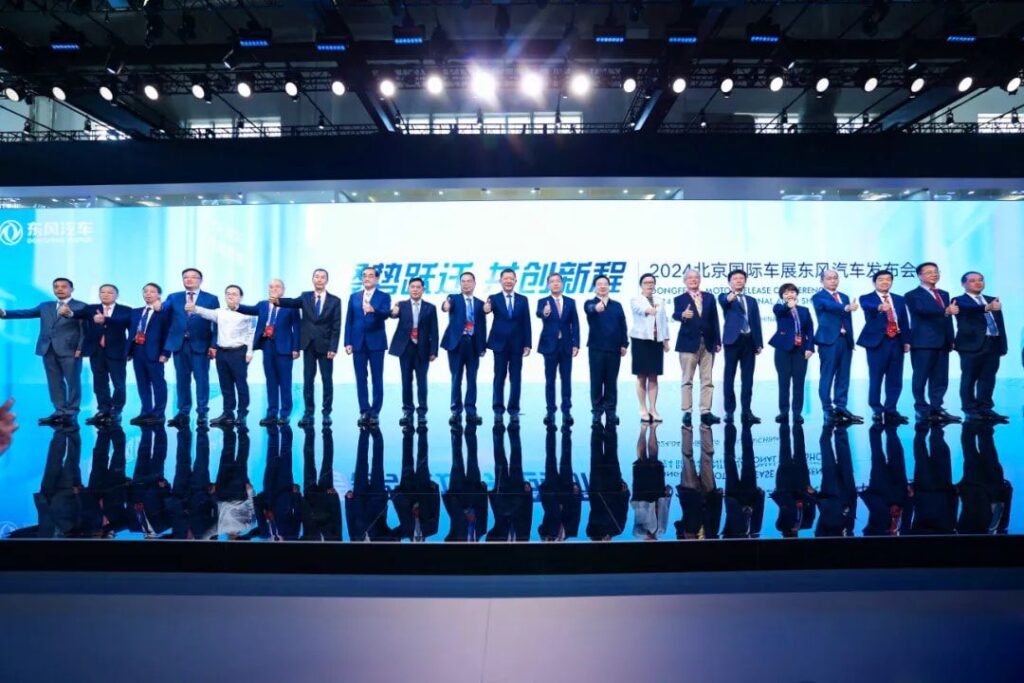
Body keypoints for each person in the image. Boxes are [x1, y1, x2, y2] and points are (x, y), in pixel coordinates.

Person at [0, 276, 85, 424]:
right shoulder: (45, 306)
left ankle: (71, 412)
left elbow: (85, 330)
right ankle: (59, 411)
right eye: (56, 286)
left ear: (72, 289)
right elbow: (26, 313)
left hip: (70, 351)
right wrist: (4, 313)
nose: (59, 289)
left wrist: (80, 349)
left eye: (63, 286)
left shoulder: (81, 307)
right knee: (54, 382)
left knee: (73, 382)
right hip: (48, 349)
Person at [273, 268, 342, 427]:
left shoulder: (335, 300)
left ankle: (326, 413)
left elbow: (336, 326)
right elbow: (291, 302)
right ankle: (308, 413)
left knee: (327, 380)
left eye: (322, 277)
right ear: (313, 279)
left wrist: (333, 347)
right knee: (308, 380)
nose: (319, 279)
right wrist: (275, 300)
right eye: (316, 277)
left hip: (326, 347)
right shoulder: (305, 296)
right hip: (308, 345)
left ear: (327, 280)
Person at [237, 279, 301, 427]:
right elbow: (249, 310)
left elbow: (297, 328)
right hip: (267, 346)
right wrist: (236, 306)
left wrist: (296, 348)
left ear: (283, 290)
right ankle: (271, 413)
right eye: (271, 287)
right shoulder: (262, 305)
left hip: (285, 348)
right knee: (270, 381)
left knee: (285, 382)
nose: (274, 289)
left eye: (277, 286)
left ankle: (285, 413)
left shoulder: (290, 305)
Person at [190, 285, 256, 427]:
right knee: (225, 385)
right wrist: (194, 308)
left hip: (239, 352)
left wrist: (250, 352)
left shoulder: (248, 313)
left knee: (241, 384)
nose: (230, 296)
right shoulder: (220, 312)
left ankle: (242, 413)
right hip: (222, 352)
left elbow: (252, 334)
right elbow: (206, 312)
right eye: (228, 293)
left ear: (241, 297)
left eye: (234, 294)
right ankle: (228, 413)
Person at [162, 268, 219, 427]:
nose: (189, 279)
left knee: (202, 379)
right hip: (179, 345)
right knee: (182, 380)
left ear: (201, 280)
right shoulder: (173, 297)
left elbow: (216, 323)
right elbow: (166, 317)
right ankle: (183, 412)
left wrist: (214, 345)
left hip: (201, 345)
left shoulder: (211, 298)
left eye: (193, 277)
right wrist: (158, 306)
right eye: (185, 277)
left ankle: (202, 412)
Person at [904, 262, 960, 424]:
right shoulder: (912, 295)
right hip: (922, 342)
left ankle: (937, 407)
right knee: (920, 377)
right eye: (929, 272)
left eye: (936, 271)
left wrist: (951, 338)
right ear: (919, 275)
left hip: (942, 342)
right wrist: (945, 310)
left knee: (940, 378)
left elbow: (947, 319)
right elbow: (921, 311)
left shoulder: (944, 293)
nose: (934, 274)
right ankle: (921, 408)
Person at [857, 270, 911, 425]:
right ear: (874, 282)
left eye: (888, 279)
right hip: (877, 343)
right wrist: (880, 307)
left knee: (895, 378)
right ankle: (876, 409)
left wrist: (906, 341)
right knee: (876, 377)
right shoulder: (866, 298)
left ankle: (891, 410)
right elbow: (868, 306)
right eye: (881, 279)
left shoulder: (899, 299)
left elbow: (904, 321)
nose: (885, 282)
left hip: (897, 341)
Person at [954, 271, 1008, 423]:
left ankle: (985, 408)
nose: (978, 283)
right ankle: (969, 409)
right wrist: (987, 307)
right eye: (972, 281)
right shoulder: (959, 300)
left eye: (980, 280)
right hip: (971, 346)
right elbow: (970, 309)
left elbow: (1000, 324)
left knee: (988, 378)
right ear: (963, 284)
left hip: (993, 343)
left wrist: (1003, 344)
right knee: (969, 379)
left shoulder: (991, 299)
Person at [74, 284, 132, 426]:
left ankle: (116, 410)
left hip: (117, 352)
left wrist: (130, 351)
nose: (105, 294)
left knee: (119, 383)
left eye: (110, 292)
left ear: (117, 295)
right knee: (100, 383)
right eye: (102, 292)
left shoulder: (126, 310)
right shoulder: (91, 309)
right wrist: (68, 312)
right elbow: (75, 314)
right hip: (96, 351)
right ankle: (103, 409)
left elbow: (130, 331)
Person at [813, 269, 863, 424]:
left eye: (835, 278)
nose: (833, 281)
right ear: (822, 281)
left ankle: (841, 407)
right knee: (827, 375)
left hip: (845, 340)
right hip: (829, 341)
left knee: (843, 376)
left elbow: (848, 320)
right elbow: (829, 306)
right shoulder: (818, 297)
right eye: (829, 278)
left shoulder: (844, 296)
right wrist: (846, 307)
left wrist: (851, 339)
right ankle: (827, 409)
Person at [672, 269, 721, 426]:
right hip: (688, 343)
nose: (693, 280)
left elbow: (715, 320)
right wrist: (682, 315)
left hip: (708, 343)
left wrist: (718, 341)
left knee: (707, 379)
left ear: (699, 280)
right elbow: (675, 314)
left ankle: (705, 411)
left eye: (696, 277)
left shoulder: (709, 297)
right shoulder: (680, 298)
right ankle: (687, 411)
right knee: (687, 379)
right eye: (690, 278)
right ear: (685, 281)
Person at [344, 266, 392, 428]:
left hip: (376, 342)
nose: (367, 278)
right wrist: (348, 342)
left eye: (371, 276)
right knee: (360, 378)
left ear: (377, 279)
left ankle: (375, 411)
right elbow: (349, 320)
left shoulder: (384, 296)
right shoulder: (354, 297)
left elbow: (386, 314)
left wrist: (373, 310)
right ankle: (364, 410)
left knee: (377, 378)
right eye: (364, 275)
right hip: (358, 342)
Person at [484, 268, 532, 425]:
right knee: (499, 377)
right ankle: (498, 410)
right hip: (499, 343)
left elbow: (526, 322)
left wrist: (528, 344)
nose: (508, 281)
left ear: (515, 281)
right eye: (505, 278)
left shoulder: (523, 299)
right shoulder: (493, 298)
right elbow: (486, 310)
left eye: (511, 278)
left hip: (517, 344)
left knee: (516, 378)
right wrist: (486, 309)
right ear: (500, 281)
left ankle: (514, 410)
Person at [389, 277, 439, 428]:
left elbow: (434, 330)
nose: (415, 289)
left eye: (418, 287)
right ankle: (407, 411)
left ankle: (422, 412)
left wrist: (434, 350)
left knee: (422, 381)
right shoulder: (401, 305)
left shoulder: (430, 308)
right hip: (405, 348)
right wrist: (393, 311)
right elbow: (392, 315)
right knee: (406, 381)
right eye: (412, 287)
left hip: (423, 349)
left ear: (423, 289)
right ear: (409, 289)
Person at [440, 271, 487, 427]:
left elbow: (482, 326)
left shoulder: (480, 303)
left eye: (469, 281)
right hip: (456, 343)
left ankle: (471, 411)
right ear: (460, 284)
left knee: (472, 378)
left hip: (473, 344)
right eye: (463, 281)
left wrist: (482, 346)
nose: (466, 284)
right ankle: (455, 411)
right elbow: (446, 305)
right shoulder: (454, 299)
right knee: (456, 378)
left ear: (474, 283)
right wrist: (445, 306)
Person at [718, 269, 763, 424]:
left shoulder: (751, 300)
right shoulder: (725, 297)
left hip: (749, 341)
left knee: (748, 378)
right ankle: (729, 412)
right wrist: (729, 297)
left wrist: (759, 343)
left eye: (741, 278)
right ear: (729, 282)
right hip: (732, 341)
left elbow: (756, 322)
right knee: (729, 377)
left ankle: (747, 412)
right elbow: (724, 301)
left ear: (745, 281)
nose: (738, 281)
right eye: (735, 278)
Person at [584, 274, 629, 426]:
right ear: (595, 287)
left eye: (605, 284)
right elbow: (589, 309)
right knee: (596, 381)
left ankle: (611, 411)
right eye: (599, 284)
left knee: (611, 382)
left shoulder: (617, 305)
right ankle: (597, 412)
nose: (602, 286)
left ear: (609, 287)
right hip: (596, 349)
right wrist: (596, 308)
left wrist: (624, 344)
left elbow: (623, 325)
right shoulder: (590, 303)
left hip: (614, 349)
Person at [536, 272, 580, 427]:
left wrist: (576, 344)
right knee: (550, 380)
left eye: (558, 281)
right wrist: (545, 312)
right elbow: (539, 313)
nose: (555, 284)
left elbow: (575, 324)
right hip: (549, 346)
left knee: (566, 379)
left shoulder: (570, 302)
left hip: (566, 345)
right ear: (548, 285)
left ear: (562, 284)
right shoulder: (543, 301)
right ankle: (550, 410)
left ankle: (566, 411)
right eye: (552, 281)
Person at [769, 283, 815, 424]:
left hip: (800, 351)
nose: (790, 294)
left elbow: (810, 330)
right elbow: (780, 312)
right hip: (783, 350)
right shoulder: (779, 308)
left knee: (799, 383)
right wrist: (788, 306)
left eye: (792, 292)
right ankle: (783, 412)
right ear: (782, 296)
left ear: (796, 294)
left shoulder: (804, 310)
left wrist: (810, 348)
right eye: (786, 293)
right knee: (783, 383)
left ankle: (797, 413)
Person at [127, 283, 171, 426]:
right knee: (142, 383)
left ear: (159, 295)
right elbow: (131, 331)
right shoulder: (135, 312)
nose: (148, 294)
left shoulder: (164, 312)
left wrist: (166, 352)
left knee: (158, 383)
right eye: (145, 291)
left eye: (152, 291)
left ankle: (159, 414)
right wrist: (129, 351)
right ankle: (145, 412)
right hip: (137, 350)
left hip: (155, 352)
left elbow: (167, 333)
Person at [629, 273, 671, 423]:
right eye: (646, 283)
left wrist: (666, 340)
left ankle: (653, 408)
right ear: (641, 285)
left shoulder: (660, 301)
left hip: (656, 341)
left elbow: (664, 321)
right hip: (640, 340)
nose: (649, 285)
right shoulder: (635, 300)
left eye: (652, 282)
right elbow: (640, 310)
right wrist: (649, 310)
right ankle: (643, 408)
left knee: (654, 376)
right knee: (641, 375)